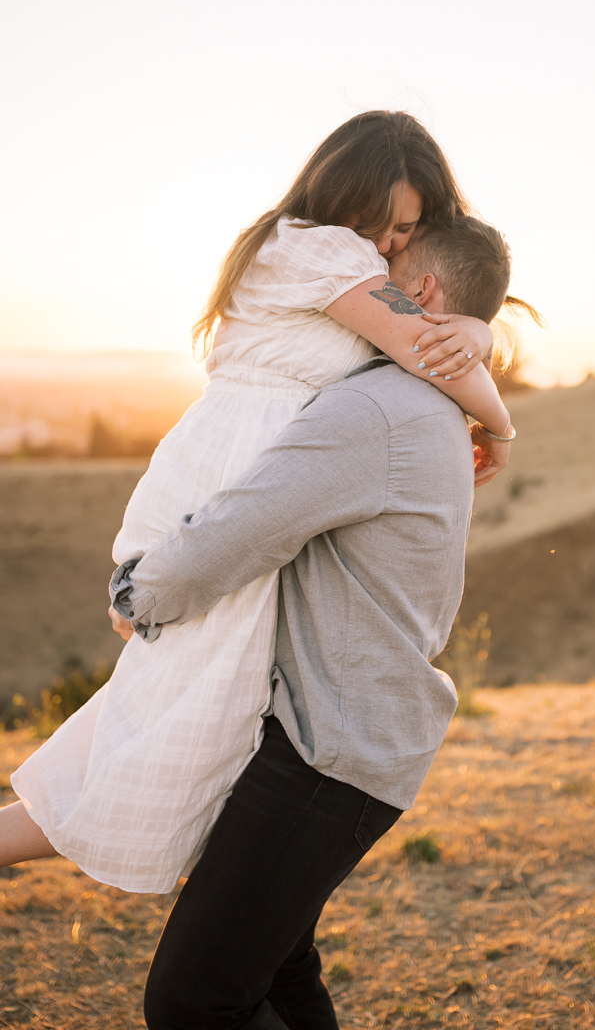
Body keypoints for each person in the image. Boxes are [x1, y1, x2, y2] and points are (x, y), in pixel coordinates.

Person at [3, 111, 515, 894]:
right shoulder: (317, 246)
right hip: (230, 481)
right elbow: (424, 343)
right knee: (179, 712)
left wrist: (474, 330)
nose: (386, 246)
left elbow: (434, 333)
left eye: (405, 231)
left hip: (251, 476)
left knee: (179, 706)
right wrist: (502, 423)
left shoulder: (326, 256)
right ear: (338, 194)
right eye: (379, 223)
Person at [107, 215, 523, 1030]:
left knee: (194, 1000)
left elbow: (238, 531)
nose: (361, 276)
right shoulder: (429, 407)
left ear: (421, 292)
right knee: (279, 969)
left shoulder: (376, 409)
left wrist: (136, 592)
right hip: (354, 736)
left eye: (384, 262)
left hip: (328, 756)